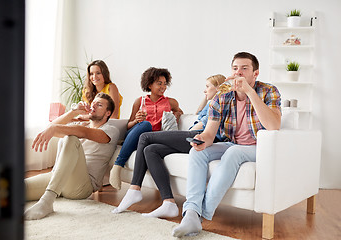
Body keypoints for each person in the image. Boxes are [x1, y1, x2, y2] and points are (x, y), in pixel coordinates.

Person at [172, 52, 282, 237]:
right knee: (197, 153)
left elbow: (274, 126)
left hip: (259, 148)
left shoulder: (268, 91)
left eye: (244, 68)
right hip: (233, 144)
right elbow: (210, 133)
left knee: (234, 153)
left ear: (255, 74)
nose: (238, 72)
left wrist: (249, 92)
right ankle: (191, 214)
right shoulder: (223, 94)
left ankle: (200, 215)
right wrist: (202, 141)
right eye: (235, 68)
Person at [111, 74, 227, 218]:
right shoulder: (211, 103)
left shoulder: (222, 103)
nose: (204, 90)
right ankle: (168, 203)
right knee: (150, 150)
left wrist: (185, 133)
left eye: (207, 87)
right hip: (194, 136)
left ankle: (134, 188)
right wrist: (209, 95)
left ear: (218, 88)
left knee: (145, 137)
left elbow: (205, 126)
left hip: (205, 138)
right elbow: (198, 114)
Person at [24, 93, 119, 220]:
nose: (94, 106)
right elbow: (51, 129)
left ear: (108, 113)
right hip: (59, 178)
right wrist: (73, 112)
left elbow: (84, 133)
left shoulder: (111, 130)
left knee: (71, 139)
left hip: (81, 187)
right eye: (93, 103)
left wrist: (54, 128)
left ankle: (47, 201)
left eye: (99, 105)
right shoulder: (81, 125)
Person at [109, 67, 183, 190]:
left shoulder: (171, 102)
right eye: (159, 83)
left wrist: (177, 114)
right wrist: (136, 120)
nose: (163, 87)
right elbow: (128, 126)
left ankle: (135, 188)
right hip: (137, 135)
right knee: (146, 125)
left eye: (165, 84)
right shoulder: (139, 101)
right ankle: (117, 166)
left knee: (150, 140)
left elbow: (179, 112)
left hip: (153, 140)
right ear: (149, 85)